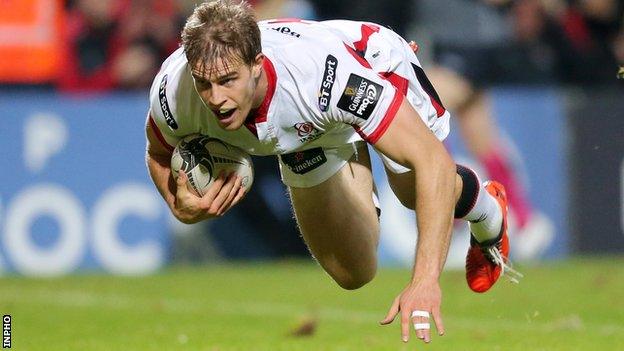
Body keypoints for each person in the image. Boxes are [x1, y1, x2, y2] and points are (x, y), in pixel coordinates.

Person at [145, 0, 520, 343]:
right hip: (309, 125)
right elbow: (158, 151)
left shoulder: (325, 78)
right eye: (204, 83)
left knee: (413, 189)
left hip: (371, 67)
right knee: (353, 273)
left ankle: (488, 213)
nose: (215, 98)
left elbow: (432, 162)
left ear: (257, 65)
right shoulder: (174, 90)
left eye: (228, 81)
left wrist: (424, 281)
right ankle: (334, 146)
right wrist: (177, 204)